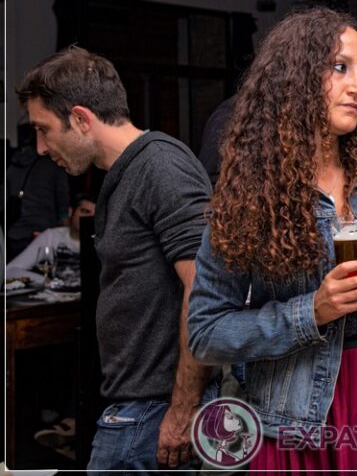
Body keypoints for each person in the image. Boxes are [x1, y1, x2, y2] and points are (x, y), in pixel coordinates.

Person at [188, 6, 357, 472]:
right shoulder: (252, 193)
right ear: (294, 78)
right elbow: (206, 333)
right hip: (296, 419)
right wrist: (308, 312)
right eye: (340, 68)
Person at [17, 46, 213, 472]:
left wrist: (182, 411)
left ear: (82, 119)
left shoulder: (160, 166)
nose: (40, 147)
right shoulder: (125, 173)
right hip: (137, 409)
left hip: (154, 415)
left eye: (44, 130)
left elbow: (206, 288)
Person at [6, 123, 70, 260]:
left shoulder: (11, 168)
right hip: (44, 232)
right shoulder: (52, 166)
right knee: (46, 276)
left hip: (15, 234)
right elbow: (63, 199)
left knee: (16, 278)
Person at [7, 193, 95, 275]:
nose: (90, 219)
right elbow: (12, 269)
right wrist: (43, 282)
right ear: (70, 211)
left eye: (95, 215)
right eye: (85, 212)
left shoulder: (101, 242)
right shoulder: (52, 236)